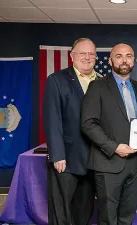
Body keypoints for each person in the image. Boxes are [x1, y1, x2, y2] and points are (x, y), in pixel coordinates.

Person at [80, 43, 137, 225]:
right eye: (119, 56)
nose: (124, 60)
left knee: (127, 217)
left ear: (133, 60)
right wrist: (114, 147)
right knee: (108, 218)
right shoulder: (97, 86)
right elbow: (88, 124)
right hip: (108, 162)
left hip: (135, 163)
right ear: (110, 60)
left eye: (128, 56)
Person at [43, 38, 102, 225]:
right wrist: (57, 155)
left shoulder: (102, 82)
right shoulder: (57, 80)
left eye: (91, 54)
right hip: (66, 159)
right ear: (72, 55)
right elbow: (53, 119)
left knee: (84, 210)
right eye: (82, 53)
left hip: (94, 158)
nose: (87, 57)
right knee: (61, 212)